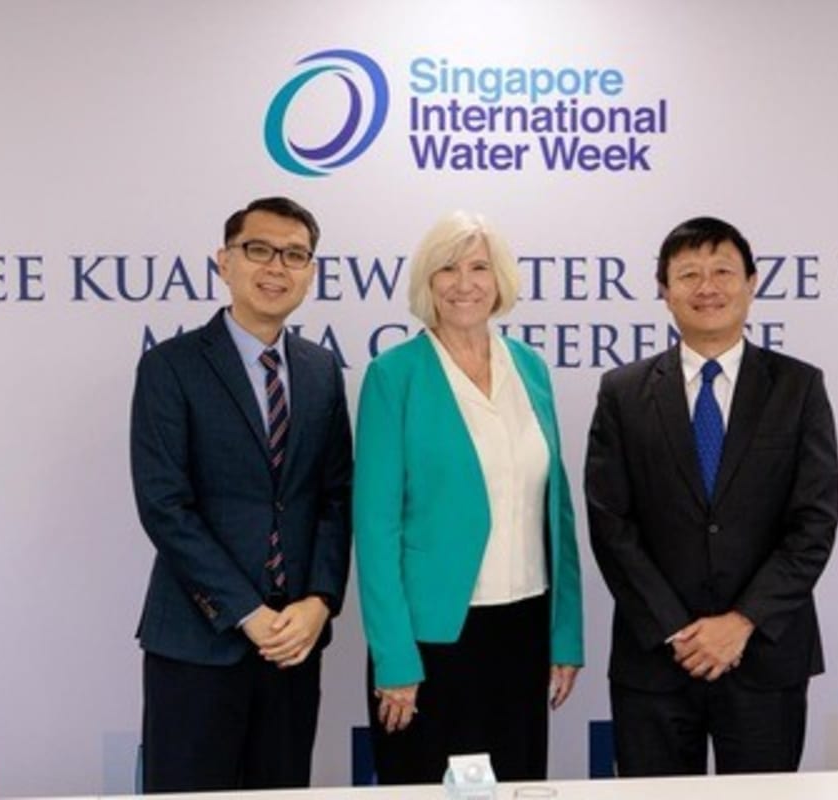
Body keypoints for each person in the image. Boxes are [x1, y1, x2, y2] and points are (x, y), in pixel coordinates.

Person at [585, 216, 838, 776]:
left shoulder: (799, 388)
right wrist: (678, 630)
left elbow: (814, 523)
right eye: (689, 274)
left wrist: (742, 622)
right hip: (655, 660)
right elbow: (611, 523)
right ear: (663, 290)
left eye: (723, 271)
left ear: (752, 282)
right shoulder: (623, 393)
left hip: (765, 658)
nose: (708, 287)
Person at [129, 197, 352, 792]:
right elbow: (164, 506)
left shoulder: (321, 370)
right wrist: (248, 613)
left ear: (310, 272)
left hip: (293, 645)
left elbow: (335, 497)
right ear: (224, 262)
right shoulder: (169, 367)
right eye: (259, 250)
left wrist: (320, 601)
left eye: (295, 255)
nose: (276, 267)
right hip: (200, 641)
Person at [353, 211, 584, 784]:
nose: (464, 283)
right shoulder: (394, 375)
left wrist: (565, 634)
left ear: (500, 279)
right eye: (447, 268)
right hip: (432, 641)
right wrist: (395, 659)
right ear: (426, 283)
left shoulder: (530, 368)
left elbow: (556, 511)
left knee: (517, 785)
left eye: (479, 267)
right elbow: (374, 528)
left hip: (525, 630)